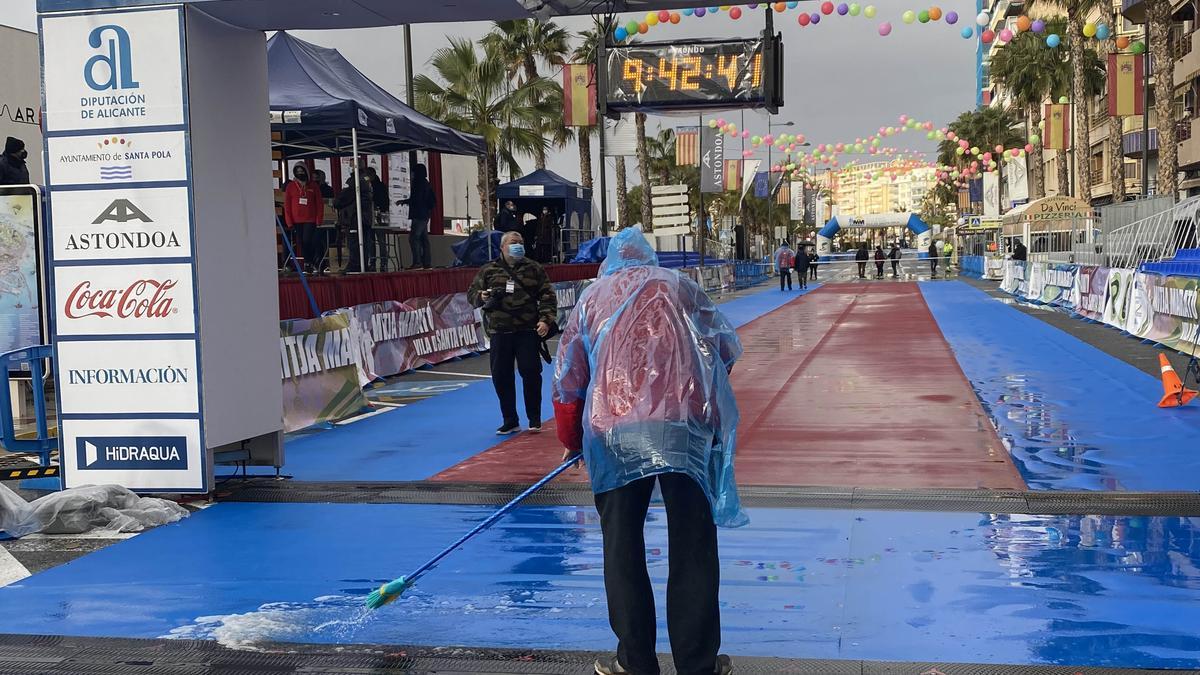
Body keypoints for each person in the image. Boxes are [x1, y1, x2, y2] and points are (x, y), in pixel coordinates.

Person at [552, 227, 743, 675]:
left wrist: (571, 441)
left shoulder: (593, 298)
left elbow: (568, 378)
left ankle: (634, 661)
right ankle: (697, 663)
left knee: (622, 548)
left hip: (614, 432)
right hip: (685, 429)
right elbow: (727, 348)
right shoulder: (683, 288)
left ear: (611, 260)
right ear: (650, 256)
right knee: (693, 545)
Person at [468, 231, 557, 434]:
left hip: (527, 330)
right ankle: (510, 419)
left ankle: (534, 418)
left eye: (521, 242)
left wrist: (545, 320)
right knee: (501, 376)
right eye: (513, 242)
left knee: (531, 373)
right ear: (502, 247)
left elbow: (547, 296)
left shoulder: (534, 268)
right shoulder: (488, 270)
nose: (518, 245)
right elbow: (471, 295)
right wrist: (481, 296)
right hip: (499, 331)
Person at [283, 164, 324, 274]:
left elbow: (319, 203)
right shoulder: (290, 186)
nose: (300, 173)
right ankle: (308, 263)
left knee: (307, 240)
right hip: (296, 220)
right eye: (298, 171)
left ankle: (308, 262)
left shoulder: (313, 185)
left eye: (302, 171)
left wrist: (319, 219)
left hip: (310, 219)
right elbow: (286, 205)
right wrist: (289, 222)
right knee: (301, 242)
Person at [398, 163, 436, 270]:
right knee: (424, 239)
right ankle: (427, 262)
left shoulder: (418, 183)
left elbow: (417, 199)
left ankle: (417, 262)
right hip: (425, 214)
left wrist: (405, 201)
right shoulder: (426, 183)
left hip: (419, 214)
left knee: (414, 237)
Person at [336, 172, 376, 273]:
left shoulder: (356, 184)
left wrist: (337, 202)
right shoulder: (367, 183)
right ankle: (363, 264)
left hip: (355, 218)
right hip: (365, 219)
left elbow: (341, 200)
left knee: (354, 243)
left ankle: (355, 265)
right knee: (364, 243)